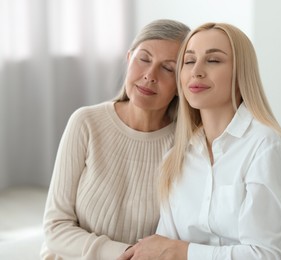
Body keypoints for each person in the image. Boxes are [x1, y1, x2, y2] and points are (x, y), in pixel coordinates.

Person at [118, 22, 281, 260]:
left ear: (241, 75)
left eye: (214, 60)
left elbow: (265, 255)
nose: (196, 71)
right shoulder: (176, 159)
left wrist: (180, 252)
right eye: (188, 61)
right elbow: (161, 249)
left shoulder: (266, 147)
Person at [40, 19, 190, 259]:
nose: (150, 75)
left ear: (181, 83)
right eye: (144, 59)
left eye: (168, 68)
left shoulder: (186, 145)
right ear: (129, 58)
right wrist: (127, 253)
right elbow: (55, 228)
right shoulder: (86, 122)